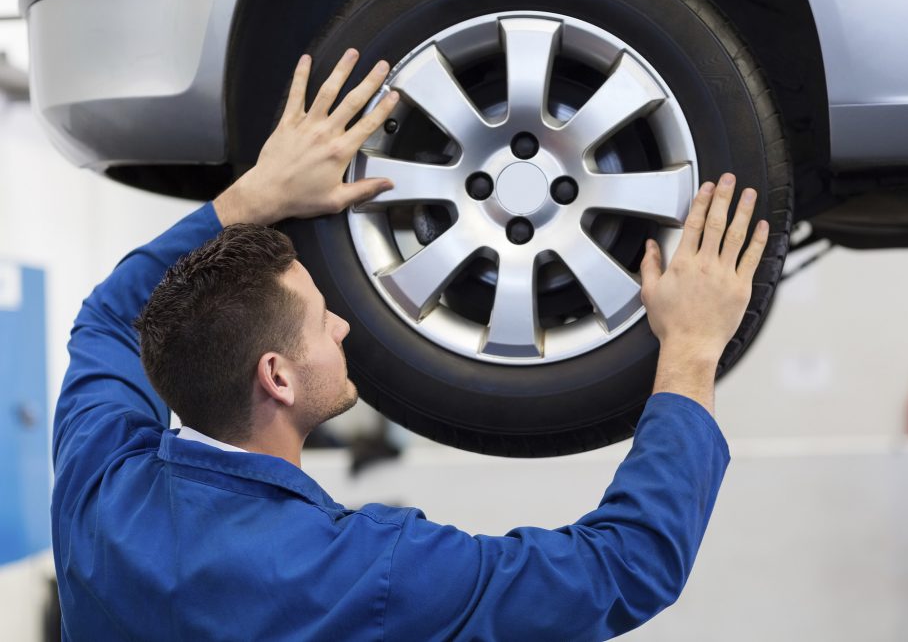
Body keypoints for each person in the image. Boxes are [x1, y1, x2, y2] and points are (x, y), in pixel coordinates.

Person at [51, 49, 769, 641]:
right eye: (321, 318)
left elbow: (113, 321)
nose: (342, 324)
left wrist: (253, 199)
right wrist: (692, 350)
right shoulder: (363, 576)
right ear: (276, 376)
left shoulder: (98, 494)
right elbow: (620, 569)